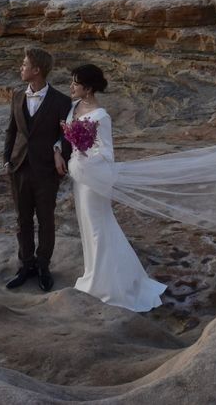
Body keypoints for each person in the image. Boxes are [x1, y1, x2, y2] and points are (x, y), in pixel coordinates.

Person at [65, 64, 167, 312]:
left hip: (94, 177)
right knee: (87, 225)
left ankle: (108, 286)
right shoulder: (73, 107)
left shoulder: (101, 116)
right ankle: (94, 273)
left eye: (76, 83)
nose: (71, 87)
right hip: (79, 176)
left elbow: (106, 152)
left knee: (98, 226)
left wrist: (86, 159)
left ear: (88, 88)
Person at [3, 47, 71, 292]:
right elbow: (12, 130)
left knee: (46, 220)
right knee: (22, 220)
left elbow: (66, 136)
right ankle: (26, 265)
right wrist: (7, 160)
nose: (21, 68)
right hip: (19, 167)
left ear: (37, 70)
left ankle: (43, 266)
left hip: (46, 171)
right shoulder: (17, 96)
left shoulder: (62, 101)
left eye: (24, 64)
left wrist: (59, 154)